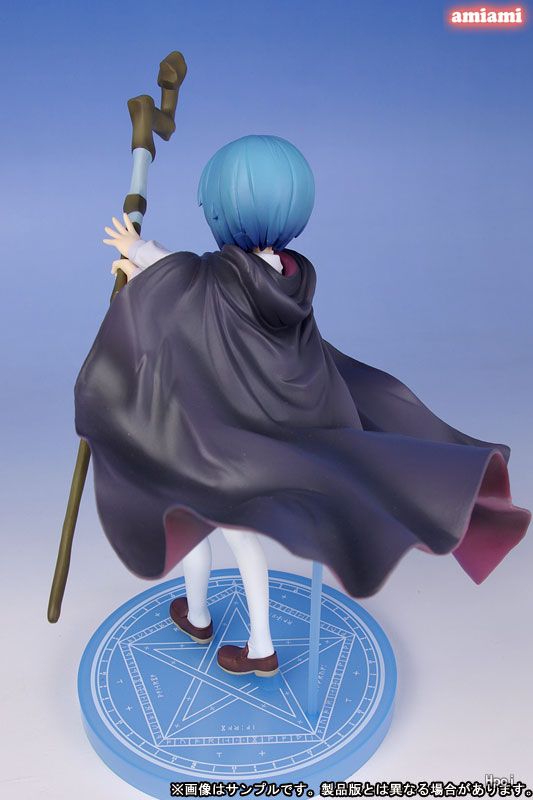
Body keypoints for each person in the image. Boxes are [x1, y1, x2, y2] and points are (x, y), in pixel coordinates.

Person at [76, 134, 530, 678]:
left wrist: (137, 253)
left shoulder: (223, 275)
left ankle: (241, 637)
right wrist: (147, 281)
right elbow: (192, 297)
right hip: (268, 426)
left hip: (224, 437)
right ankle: (203, 617)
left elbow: (185, 281)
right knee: (212, 523)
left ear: (222, 214)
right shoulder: (293, 278)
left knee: (197, 515)